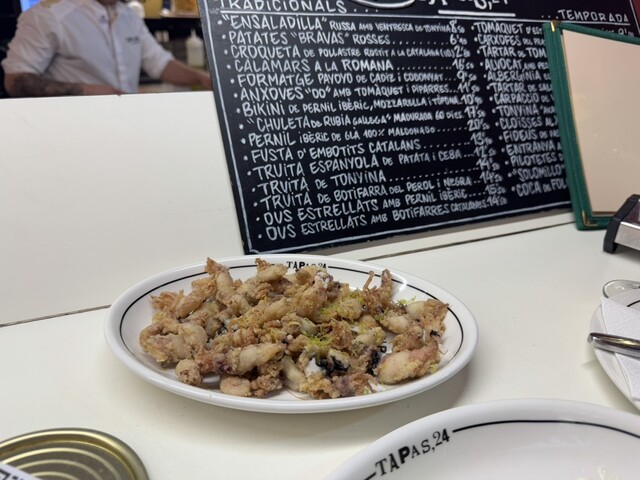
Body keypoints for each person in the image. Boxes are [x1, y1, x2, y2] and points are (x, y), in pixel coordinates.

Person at [2, 0, 212, 97]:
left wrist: (204, 79)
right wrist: (86, 91)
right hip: (71, 130)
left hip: (124, 124)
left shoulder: (129, 16)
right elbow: (16, 81)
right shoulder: (48, 15)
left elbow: (160, 64)